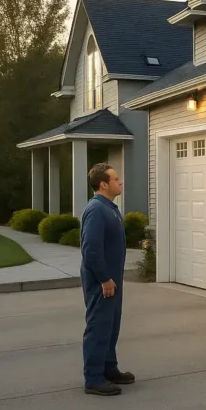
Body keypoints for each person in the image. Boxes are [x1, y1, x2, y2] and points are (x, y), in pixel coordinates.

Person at [80, 163, 134, 396]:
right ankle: (93, 378)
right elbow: (90, 249)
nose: (120, 182)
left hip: (112, 280)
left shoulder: (110, 207)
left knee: (111, 326)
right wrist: (104, 279)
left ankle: (109, 369)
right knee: (99, 327)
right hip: (102, 282)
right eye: (115, 179)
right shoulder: (96, 209)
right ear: (103, 184)